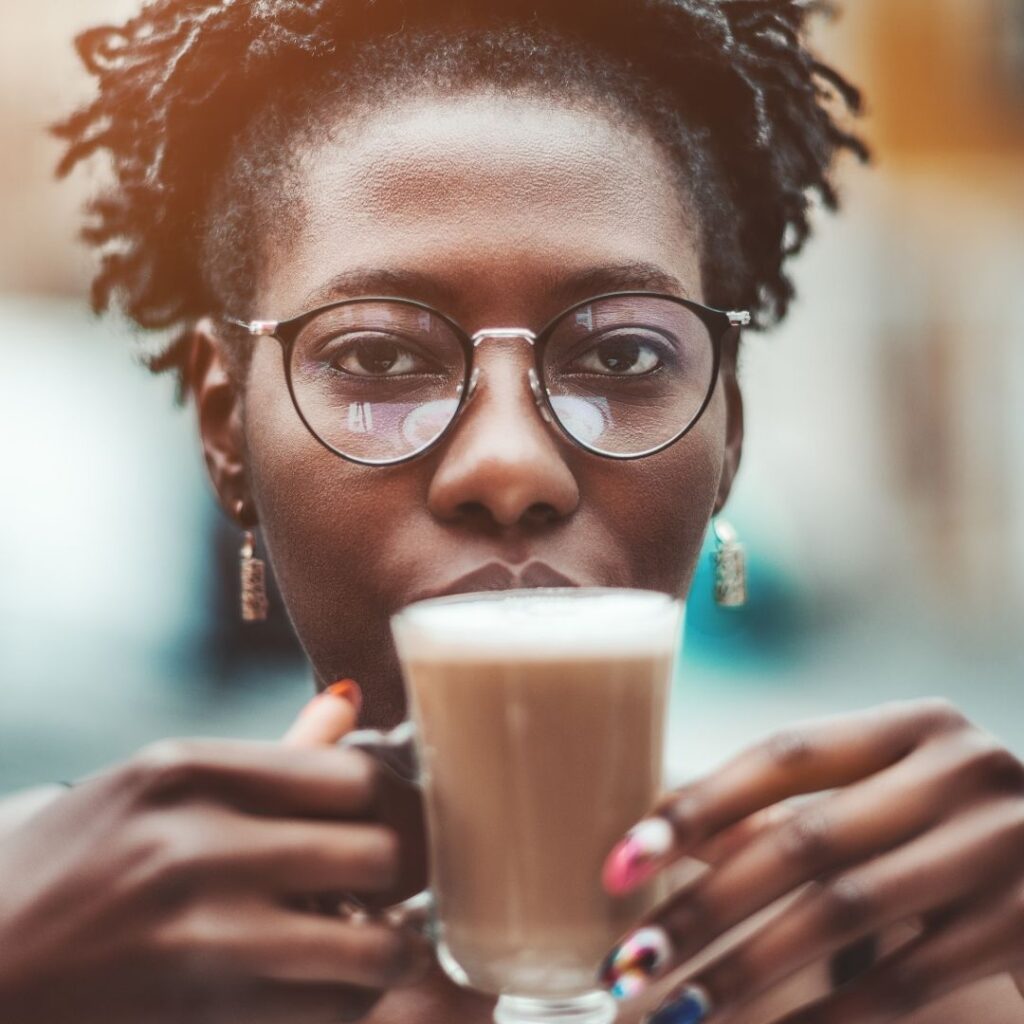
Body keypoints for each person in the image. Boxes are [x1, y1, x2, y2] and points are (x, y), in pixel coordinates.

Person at [1, 1, 1022, 1021]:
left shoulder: (882, 966)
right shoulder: (68, 954)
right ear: (228, 431)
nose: (509, 468)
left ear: (729, 435)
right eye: (376, 358)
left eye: (620, 356)